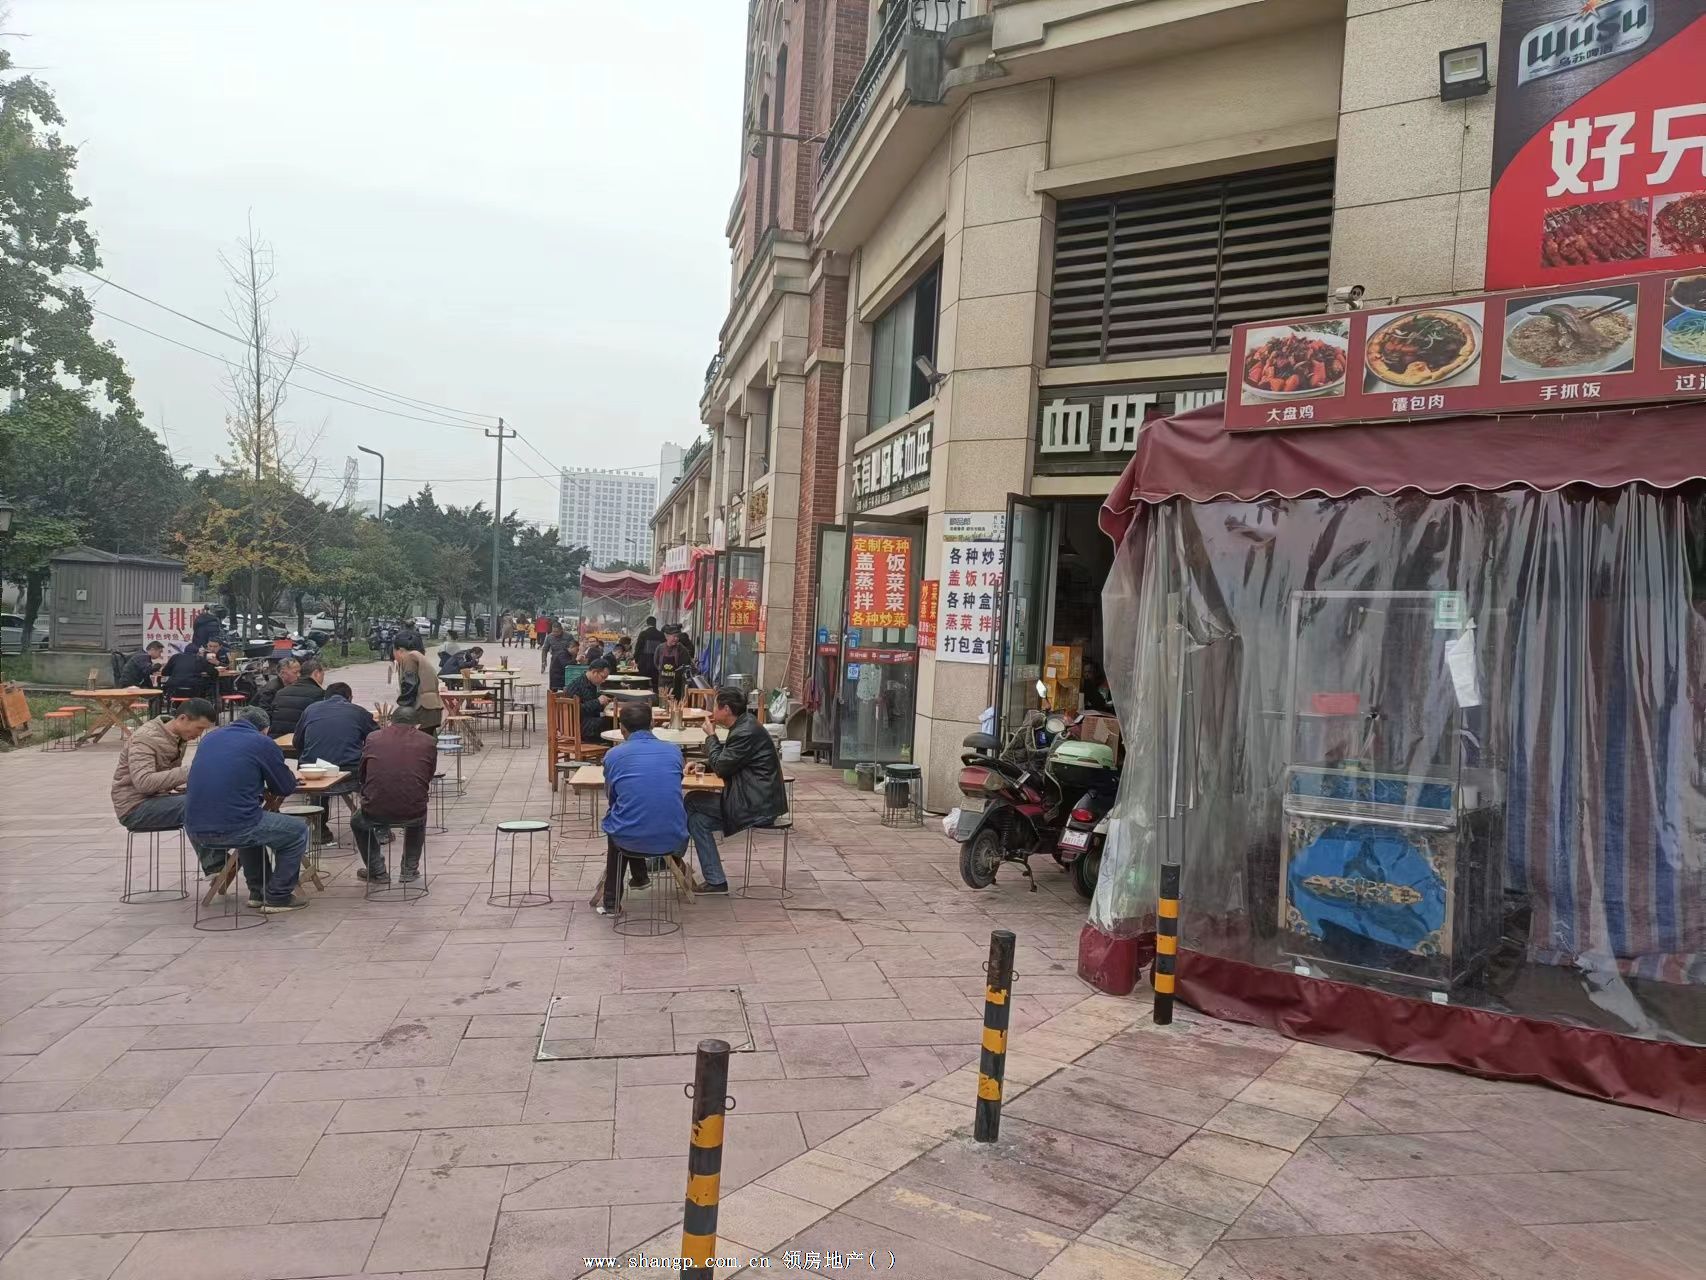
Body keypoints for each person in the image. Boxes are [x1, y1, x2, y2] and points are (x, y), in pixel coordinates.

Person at [184, 706, 310, 912]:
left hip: (194, 828)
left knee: (253, 824)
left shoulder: (210, 738)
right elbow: (285, 787)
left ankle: (258, 892)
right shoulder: (262, 742)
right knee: (296, 831)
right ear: (264, 729)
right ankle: (278, 896)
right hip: (233, 825)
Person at [684, 687, 787, 894]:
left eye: (715, 706)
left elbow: (723, 766)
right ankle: (716, 881)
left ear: (727, 709)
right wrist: (703, 764)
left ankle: (670, 855)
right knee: (697, 821)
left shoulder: (745, 731)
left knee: (692, 799)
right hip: (753, 798)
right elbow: (730, 759)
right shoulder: (744, 725)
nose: (712, 711)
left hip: (757, 805)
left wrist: (711, 737)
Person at [597, 701, 688, 914]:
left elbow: (612, 796)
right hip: (674, 836)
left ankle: (611, 902)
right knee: (633, 815)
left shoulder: (614, 755)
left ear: (622, 728)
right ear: (653, 723)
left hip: (630, 836)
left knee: (621, 820)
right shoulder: (674, 751)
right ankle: (639, 877)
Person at [351, 709, 437, 883]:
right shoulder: (428, 741)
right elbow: (428, 774)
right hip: (413, 808)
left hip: (375, 808)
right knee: (418, 814)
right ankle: (409, 870)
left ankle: (377, 870)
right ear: (417, 725)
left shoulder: (373, 738)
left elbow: (363, 773)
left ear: (391, 722)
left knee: (358, 821)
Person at [110, 698, 218, 833]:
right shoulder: (145, 738)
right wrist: (192, 771)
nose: (199, 734)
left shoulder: (177, 737)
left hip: (156, 798)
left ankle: (221, 845)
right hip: (134, 808)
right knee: (202, 805)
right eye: (199, 728)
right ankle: (215, 848)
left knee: (216, 796)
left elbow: (167, 779)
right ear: (183, 718)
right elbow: (144, 783)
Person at [268, 655, 326, 739]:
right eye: (323, 675)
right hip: (299, 740)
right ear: (316, 673)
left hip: (276, 739)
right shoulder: (319, 694)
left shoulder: (280, 692)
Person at [393, 641, 442, 734]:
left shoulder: (410, 657)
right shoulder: (419, 656)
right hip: (432, 707)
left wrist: (402, 708)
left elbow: (410, 684)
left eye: (394, 653)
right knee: (428, 739)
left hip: (423, 708)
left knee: (417, 739)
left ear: (399, 650)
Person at [564, 661, 612, 743]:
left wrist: (604, 705)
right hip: (578, 725)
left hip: (587, 721)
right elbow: (574, 710)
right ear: (594, 672)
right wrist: (598, 702)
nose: (604, 681)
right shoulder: (576, 685)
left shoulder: (591, 684)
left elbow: (591, 706)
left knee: (611, 720)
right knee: (609, 723)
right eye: (603, 677)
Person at [161, 640, 220, 705]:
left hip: (175, 689)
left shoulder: (175, 657)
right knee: (207, 686)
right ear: (197, 652)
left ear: (185, 650)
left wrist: (176, 672)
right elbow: (214, 673)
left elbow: (164, 672)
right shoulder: (199, 659)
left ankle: (176, 707)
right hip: (194, 690)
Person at [655, 628, 689, 700]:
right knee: (662, 701)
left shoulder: (681, 649)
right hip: (662, 682)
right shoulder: (660, 648)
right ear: (667, 636)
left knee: (674, 702)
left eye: (677, 636)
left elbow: (686, 665)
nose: (676, 638)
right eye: (674, 636)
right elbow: (656, 662)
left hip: (675, 683)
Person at [544, 622, 574, 692]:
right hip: (555, 661)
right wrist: (543, 661)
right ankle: (553, 694)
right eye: (553, 631)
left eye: (557, 632)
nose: (555, 633)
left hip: (566, 660)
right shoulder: (549, 637)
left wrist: (573, 659)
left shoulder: (569, 636)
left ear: (561, 629)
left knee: (566, 680)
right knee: (553, 681)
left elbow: (574, 648)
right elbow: (545, 649)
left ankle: (566, 695)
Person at [635, 616, 664, 683]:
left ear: (647, 624)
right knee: (655, 683)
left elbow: (638, 648)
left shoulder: (643, 634)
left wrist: (636, 660)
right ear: (655, 624)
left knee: (643, 682)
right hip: (657, 663)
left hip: (644, 663)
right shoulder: (661, 635)